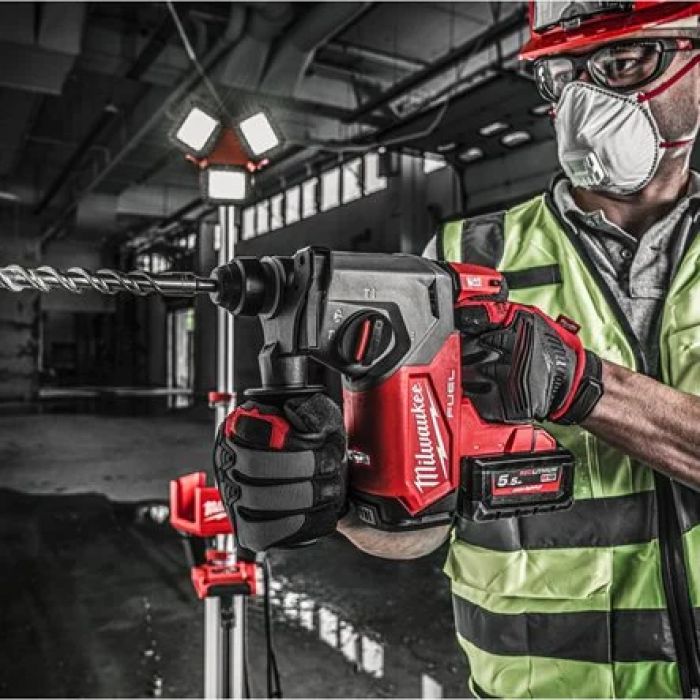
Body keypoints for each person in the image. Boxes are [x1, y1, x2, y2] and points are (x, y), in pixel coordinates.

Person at [213, 2, 700, 696]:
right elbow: (416, 529)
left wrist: (583, 385)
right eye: (560, 78)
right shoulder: (462, 259)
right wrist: (328, 494)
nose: (582, 103)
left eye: (621, 63)